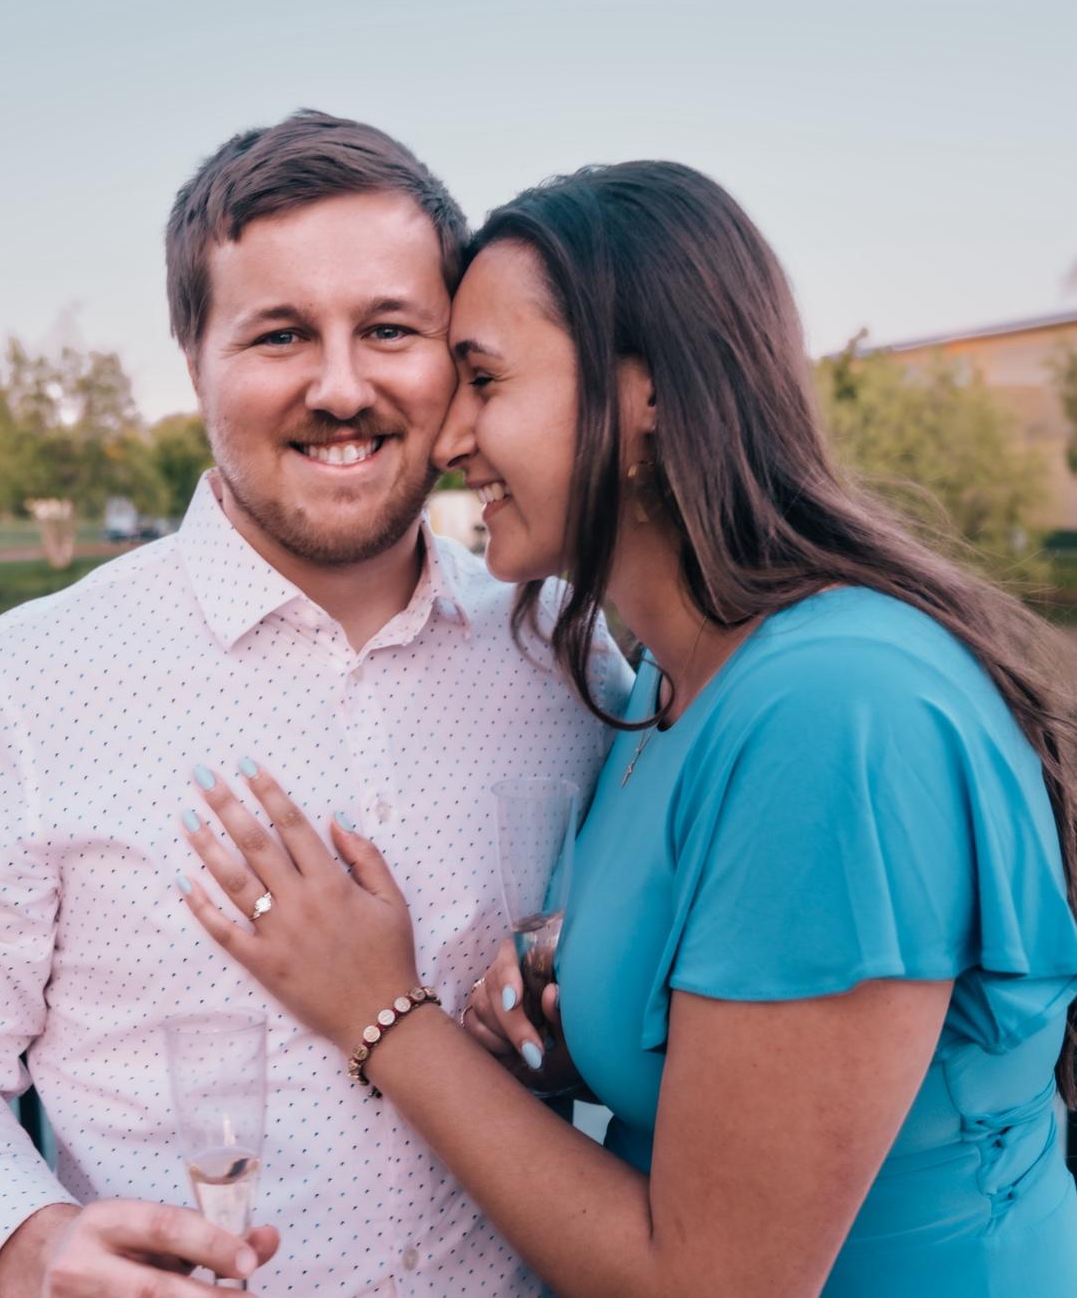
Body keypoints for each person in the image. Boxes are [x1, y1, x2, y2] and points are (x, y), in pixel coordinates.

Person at [177, 160, 1077, 1296]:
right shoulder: (663, 687)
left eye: (483, 378)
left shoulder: (832, 712)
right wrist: (587, 1009)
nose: (445, 433)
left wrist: (379, 1011)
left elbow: (715, 1283)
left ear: (642, 395)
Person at [0, 112, 626, 1298]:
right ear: (193, 358)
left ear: (452, 358)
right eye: (280, 334)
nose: (341, 385)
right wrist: (27, 1239)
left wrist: (580, 984)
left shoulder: (565, 651)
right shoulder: (23, 686)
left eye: (390, 329)